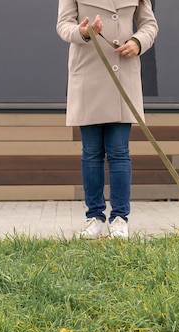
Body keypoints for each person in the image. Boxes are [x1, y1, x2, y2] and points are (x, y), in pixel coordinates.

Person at [56, 0, 158, 239]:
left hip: (123, 74)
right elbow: (63, 25)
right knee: (91, 152)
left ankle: (120, 218)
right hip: (88, 75)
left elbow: (149, 25)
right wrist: (82, 32)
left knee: (119, 151)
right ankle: (95, 218)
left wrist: (137, 42)